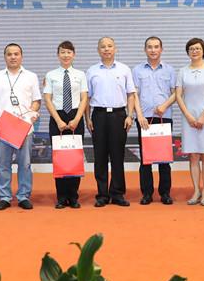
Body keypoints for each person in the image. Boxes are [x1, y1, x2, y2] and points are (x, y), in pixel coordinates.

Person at [0, 43, 41, 211]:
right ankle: (4, 197)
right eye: (9, 54)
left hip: (24, 128)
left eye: (16, 54)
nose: (13, 57)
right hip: (3, 128)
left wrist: (30, 114)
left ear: (21, 56)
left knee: (25, 164)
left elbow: (37, 101)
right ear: (5, 57)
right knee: (3, 165)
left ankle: (24, 196)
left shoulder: (31, 76)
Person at [86, 37, 136, 208]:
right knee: (99, 156)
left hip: (119, 115)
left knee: (117, 156)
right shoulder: (92, 71)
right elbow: (87, 98)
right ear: (98, 50)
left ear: (115, 49)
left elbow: (131, 94)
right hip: (98, 116)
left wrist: (130, 115)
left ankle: (117, 193)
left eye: (109, 46)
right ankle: (102, 195)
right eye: (103, 47)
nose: (106, 49)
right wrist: (87, 118)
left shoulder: (124, 69)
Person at [132, 36, 177, 205]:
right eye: (149, 47)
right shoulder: (137, 70)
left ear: (161, 49)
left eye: (156, 47)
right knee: (146, 159)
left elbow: (176, 93)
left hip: (164, 117)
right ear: (145, 50)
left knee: (164, 159)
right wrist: (139, 115)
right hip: (144, 119)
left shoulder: (169, 70)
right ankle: (147, 193)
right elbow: (134, 94)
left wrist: (165, 105)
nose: (153, 50)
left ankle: (165, 193)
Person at [43, 41, 89, 209]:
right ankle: (61, 197)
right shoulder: (51, 75)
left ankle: (73, 196)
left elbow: (84, 98)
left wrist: (77, 119)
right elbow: (48, 99)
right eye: (63, 52)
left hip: (76, 116)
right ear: (58, 55)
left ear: (74, 55)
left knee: (75, 157)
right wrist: (58, 120)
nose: (66, 55)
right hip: (58, 117)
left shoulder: (80, 75)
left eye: (69, 52)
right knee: (60, 158)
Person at [175, 38, 204, 207]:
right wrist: (188, 116)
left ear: (203, 51)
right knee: (193, 155)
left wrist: (203, 115)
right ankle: (196, 190)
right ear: (188, 52)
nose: (194, 51)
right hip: (189, 119)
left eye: (198, 49)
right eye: (191, 49)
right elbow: (178, 95)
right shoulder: (183, 71)